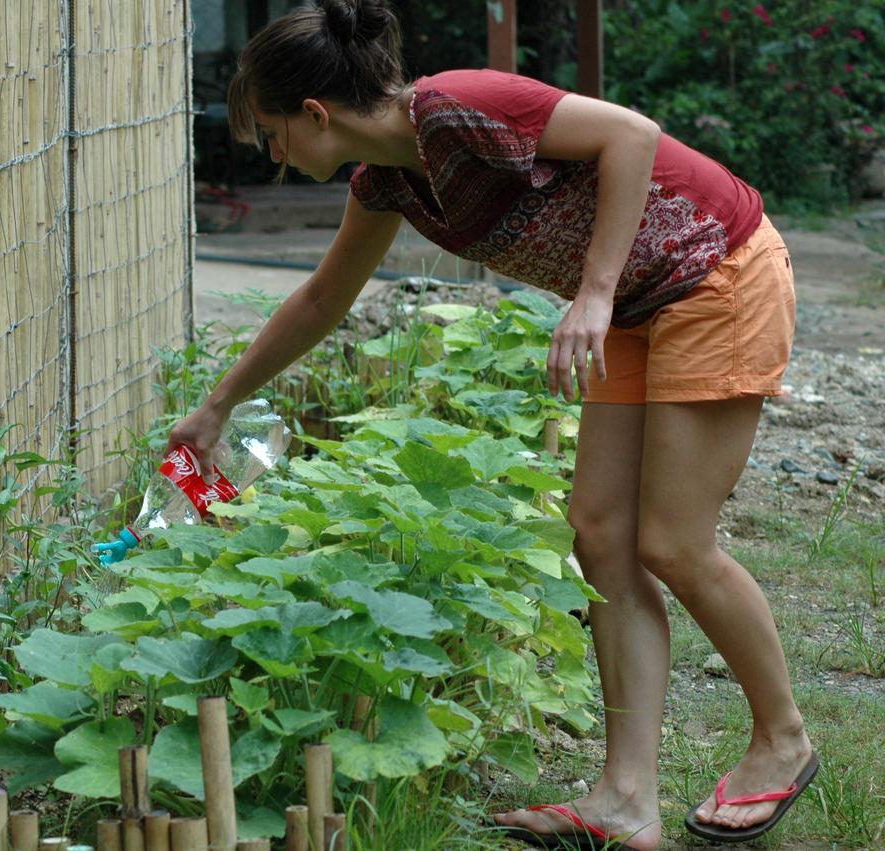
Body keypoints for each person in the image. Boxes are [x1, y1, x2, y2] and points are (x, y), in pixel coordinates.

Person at [168, 0, 817, 847]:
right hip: (638, 302)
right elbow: (324, 297)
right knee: (599, 532)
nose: (272, 156)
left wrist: (590, 292)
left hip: (715, 270)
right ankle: (626, 798)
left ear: (316, 114)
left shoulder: (457, 105)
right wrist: (217, 403)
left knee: (672, 541)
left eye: (274, 136)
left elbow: (632, 133)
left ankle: (783, 738)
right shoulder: (387, 181)